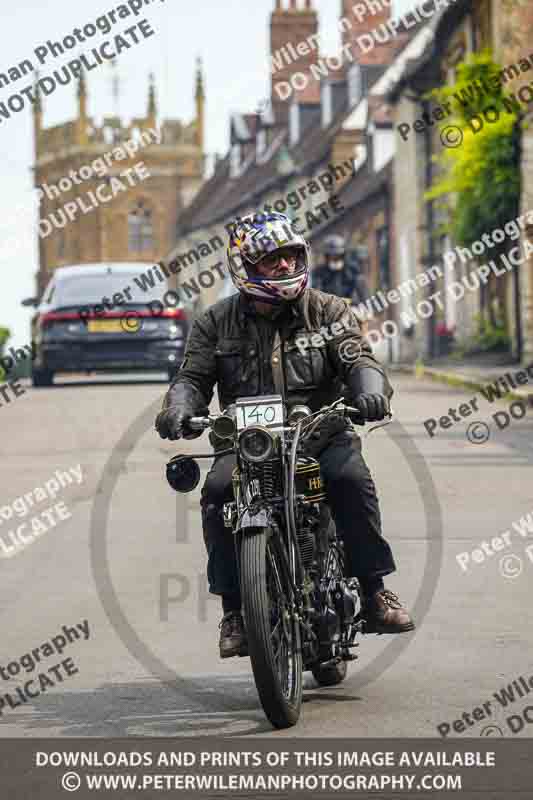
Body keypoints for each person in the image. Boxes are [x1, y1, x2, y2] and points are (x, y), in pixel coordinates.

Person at [155, 212, 414, 659]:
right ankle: (235, 611)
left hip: (321, 433)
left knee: (352, 482)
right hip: (248, 442)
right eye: (271, 259)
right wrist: (179, 406)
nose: (283, 266)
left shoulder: (329, 310)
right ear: (245, 267)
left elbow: (358, 360)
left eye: (290, 255)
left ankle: (375, 592)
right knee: (217, 494)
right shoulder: (214, 322)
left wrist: (370, 391)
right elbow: (193, 377)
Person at [312, 234, 370, 318]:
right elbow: (316, 296)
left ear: (343, 255)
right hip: (328, 312)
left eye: (338, 256)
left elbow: (364, 295)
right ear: (327, 257)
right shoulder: (319, 273)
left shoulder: (353, 271)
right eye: (331, 256)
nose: (335, 259)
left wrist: (364, 309)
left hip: (351, 310)